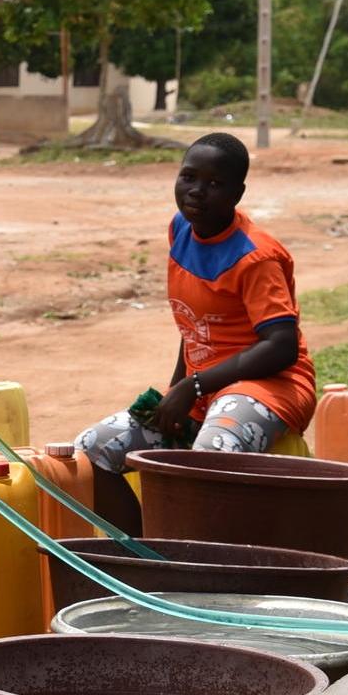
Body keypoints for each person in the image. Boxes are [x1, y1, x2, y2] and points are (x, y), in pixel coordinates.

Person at [77, 133, 318, 535]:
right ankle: (150, 559)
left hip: (269, 387)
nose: (197, 191)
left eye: (215, 184)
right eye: (189, 176)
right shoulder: (181, 230)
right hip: (203, 390)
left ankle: (204, 572)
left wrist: (193, 385)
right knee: (90, 451)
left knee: (207, 457)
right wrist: (176, 392)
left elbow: (282, 347)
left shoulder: (256, 256)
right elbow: (195, 327)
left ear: (238, 192)